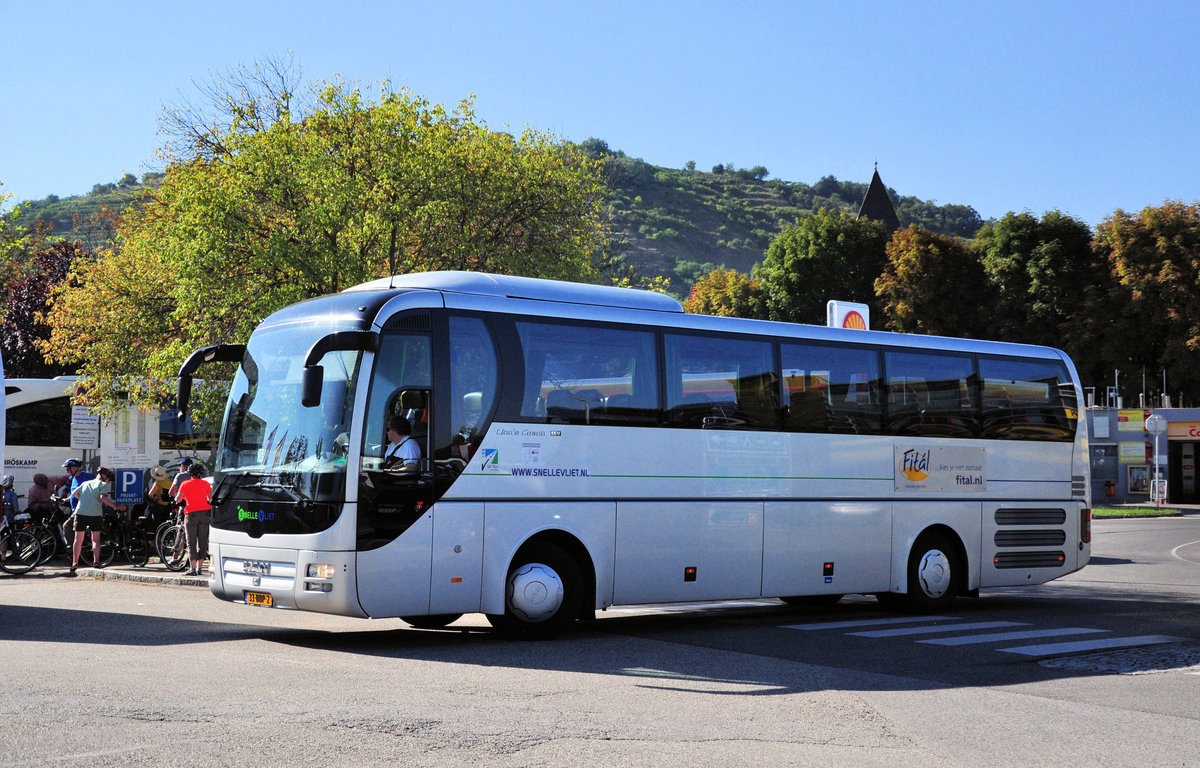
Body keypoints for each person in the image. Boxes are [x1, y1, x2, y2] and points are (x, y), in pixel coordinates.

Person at [69, 466, 126, 574]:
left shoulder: (85, 483)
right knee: (95, 539)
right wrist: (116, 506)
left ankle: (74, 563)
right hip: (95, 514)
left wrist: (84, 500)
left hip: (80, 512)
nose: (108, 482)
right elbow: (102, 498)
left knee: (78, 539)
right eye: (109, 480)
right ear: (105, 478)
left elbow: (74, 494)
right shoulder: (102, 485)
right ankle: (96, 562)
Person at [173, 462, 211, 577]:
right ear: (200, 474)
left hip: (191, 514)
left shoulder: (185, 484)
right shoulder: (205, 484)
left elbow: (178, 500)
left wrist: (178, 498)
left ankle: (193, 568)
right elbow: (210, 498)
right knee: (203, 541)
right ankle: (200, 567)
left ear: (190, 474)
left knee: (191, 542)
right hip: (205, 514)